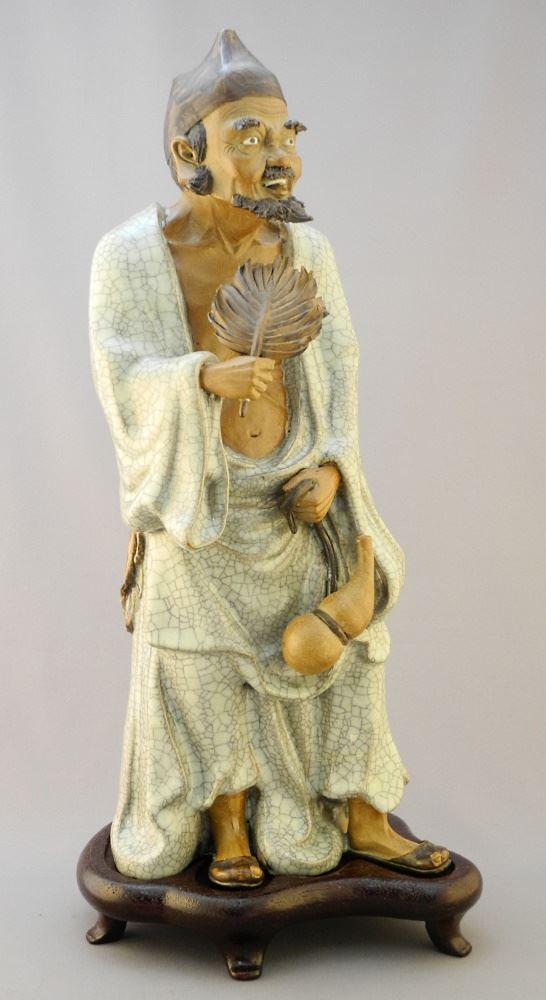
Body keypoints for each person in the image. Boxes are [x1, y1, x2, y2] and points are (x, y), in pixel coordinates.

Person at [89, 30, 450, 887]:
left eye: (288, 135)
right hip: (203, 511)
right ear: (191, 155)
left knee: (351, 646)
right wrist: (199, 377)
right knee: (200, 661)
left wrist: (332, 468)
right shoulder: (133, 257)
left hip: (293, 504)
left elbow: (338, 370)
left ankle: (361, 813)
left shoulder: (306, 252)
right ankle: (227, 822)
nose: (278, 156)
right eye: (249, 136)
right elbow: (123, 378)